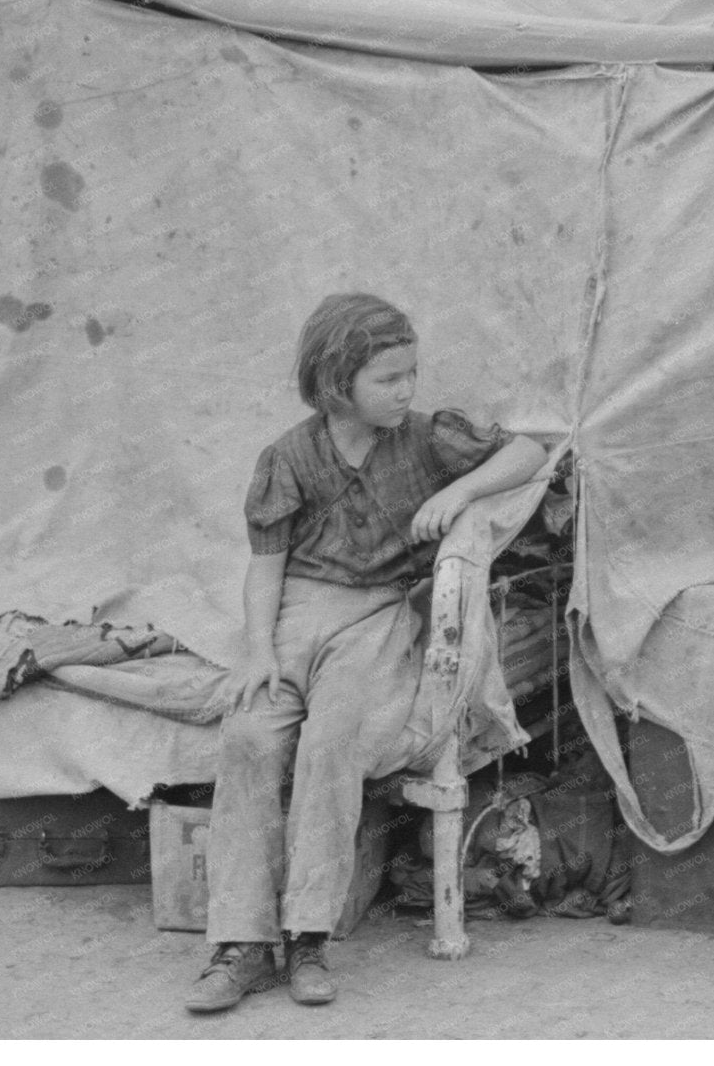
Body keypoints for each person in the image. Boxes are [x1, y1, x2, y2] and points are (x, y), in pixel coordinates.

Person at [186, 292, 548, 1013]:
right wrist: (259, 649)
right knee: (250, 735)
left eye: (411, 373)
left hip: (378, 614)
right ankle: (241, 945)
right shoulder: (289, 456)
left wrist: (464, 490)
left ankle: (309, 936)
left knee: (333, 740)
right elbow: (266, 564)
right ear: (334, 381)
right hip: (295, 612)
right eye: (387, 378)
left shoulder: (425, 438)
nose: (406, 389)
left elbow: (531, 450)